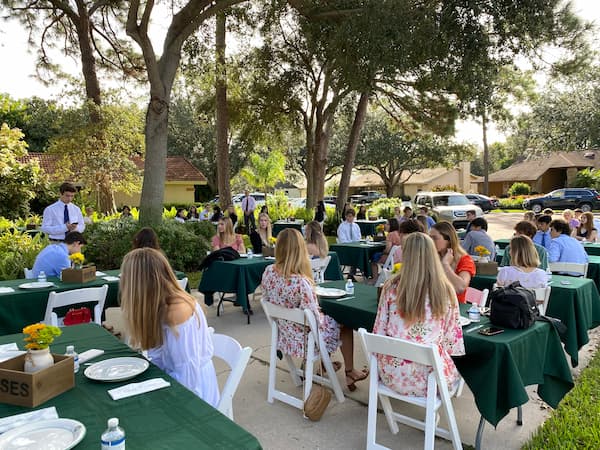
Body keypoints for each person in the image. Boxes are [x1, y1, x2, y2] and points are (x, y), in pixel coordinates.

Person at [261, 228, 368, 391]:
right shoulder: (301, 282)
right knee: (343, 323)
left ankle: (324, 365)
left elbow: (267, 298)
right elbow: (316, 321)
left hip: (284, 334)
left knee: (325, 320)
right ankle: (349, 372)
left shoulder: (268, 272)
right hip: (304, 339)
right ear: (300, 249)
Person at [120, 248, 219, 407]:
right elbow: (158, 356)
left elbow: (188, 378)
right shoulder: (159, 305)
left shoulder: (177, 311)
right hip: (174, 379)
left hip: (195, 394)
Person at [372, 232, 465, 397]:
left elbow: (378, 332)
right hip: (430, 381)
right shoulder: (445, 290)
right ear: (432, 254)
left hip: (392, 375)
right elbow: (452, 343)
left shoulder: (391, 287)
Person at [430, 222, 475, 304]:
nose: (431, 241)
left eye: (435, 238)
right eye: (429, 238)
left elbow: (460, 288)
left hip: (455, 307)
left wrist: (445, 265)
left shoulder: (464, 260)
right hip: (433, 305)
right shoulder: (432, 257)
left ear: (449, 240)